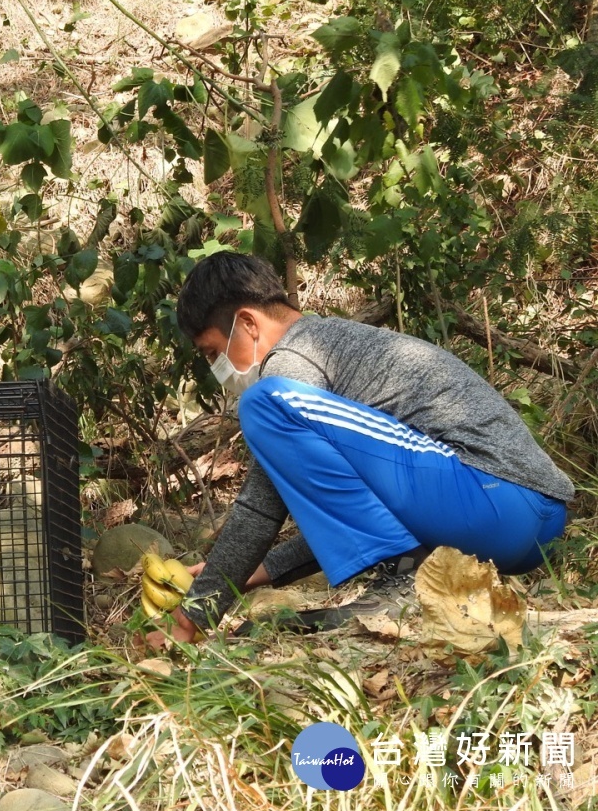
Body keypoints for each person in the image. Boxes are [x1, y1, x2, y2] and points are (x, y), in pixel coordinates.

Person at [156, 252, 573, 645]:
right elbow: (368, 512)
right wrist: (242, 577)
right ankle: (407, 577)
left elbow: (262, 507)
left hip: (494, 500)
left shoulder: (292, 360)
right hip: (530, 521)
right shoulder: (333, 346)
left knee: (265, 403)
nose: (218, 370)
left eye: (213, 352)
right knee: (272, 405)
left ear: (248, 323)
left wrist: (196, 614)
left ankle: (407, 580)